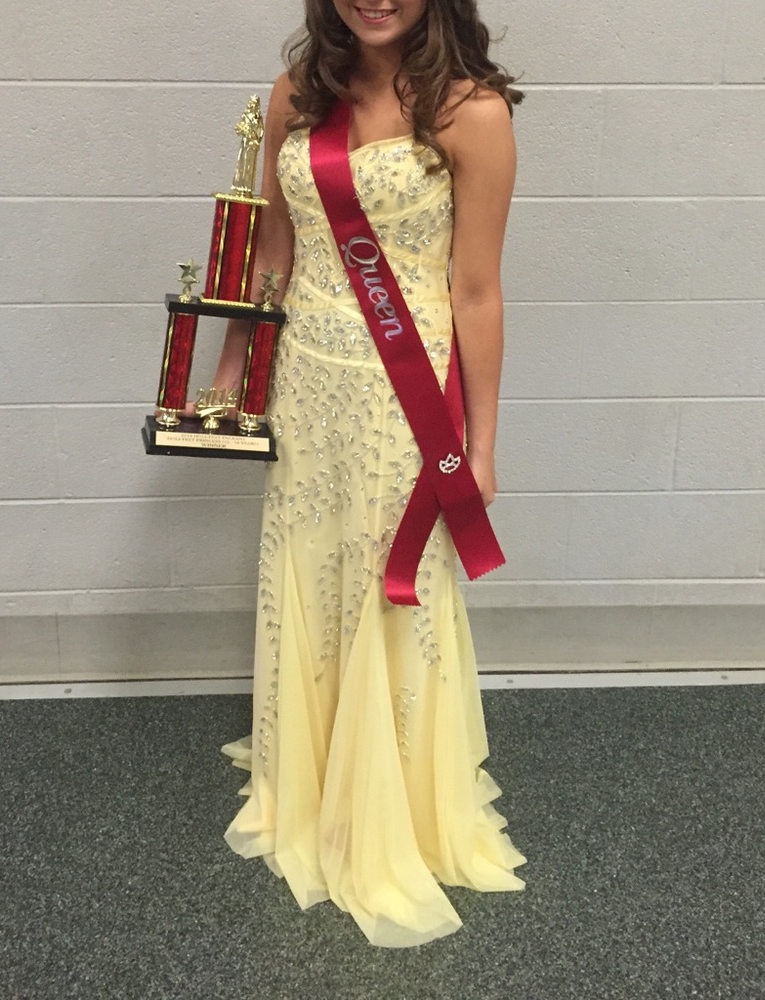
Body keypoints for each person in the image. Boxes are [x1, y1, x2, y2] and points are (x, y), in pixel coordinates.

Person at [215, 0, 526, 947]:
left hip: (404, 397)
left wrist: (480, 443)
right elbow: (273, 251)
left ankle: (389, 807)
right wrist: (232, 372)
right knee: (312, 572)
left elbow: (477, 289)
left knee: (391, 591)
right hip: (307, 386)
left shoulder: (472, 112)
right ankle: (311, 779)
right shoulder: (297, 94)